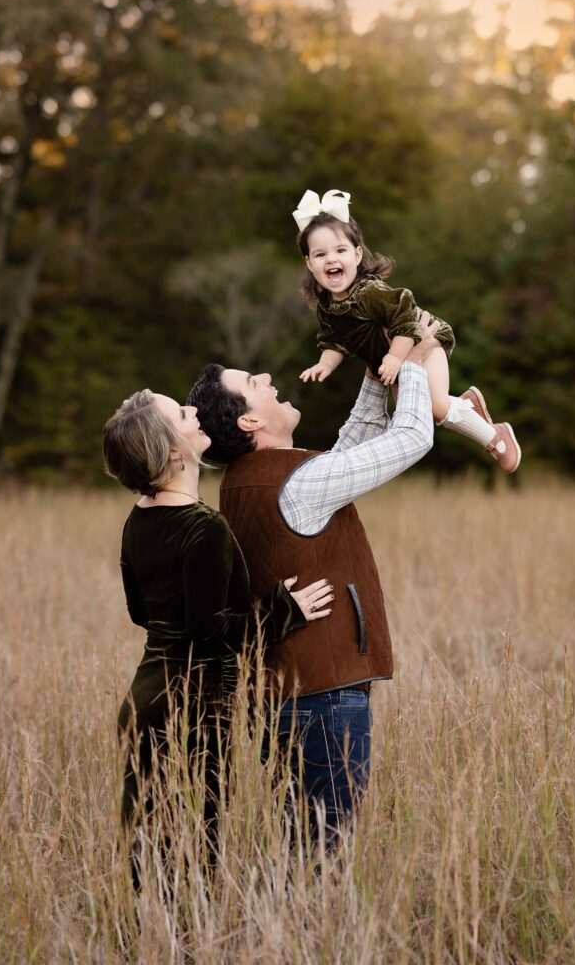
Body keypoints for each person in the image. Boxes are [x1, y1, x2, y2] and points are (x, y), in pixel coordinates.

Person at [187, 312, 440, 844]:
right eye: (254, 384)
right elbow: (414, 437)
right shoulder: (296, 484)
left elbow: (347, 456)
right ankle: (308, 929)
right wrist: (415, 362)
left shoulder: (248, 481)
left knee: (302, 848)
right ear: (248, 424)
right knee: (321, 856)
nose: (269, 381)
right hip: (322, 701)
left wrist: (378, 375)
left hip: (290, 699)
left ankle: (289, 928)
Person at [101, 388, 334, 886]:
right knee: (195, 859)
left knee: (152, 861)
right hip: (193, 712)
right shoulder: (203, 527)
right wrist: (284, 611)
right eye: (183, 414)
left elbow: (143, 613)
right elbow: (213, 634)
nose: (196, 414)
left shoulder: (138, 520)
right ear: (168, 450)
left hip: (145, 701)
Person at [294, 188, 521, 473]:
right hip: (396, 364)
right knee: (413, 414)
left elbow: (405, 319)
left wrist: (394, 358)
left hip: (423, 343)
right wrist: (324, 364)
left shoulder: (370, 292)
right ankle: (467, 405)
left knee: (435, 407)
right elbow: (334, 341)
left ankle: (495, 435)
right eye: (320, 254)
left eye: (340, 251)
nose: (331, 259)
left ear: (357, 254)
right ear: (309, 263)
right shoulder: (327, 305)